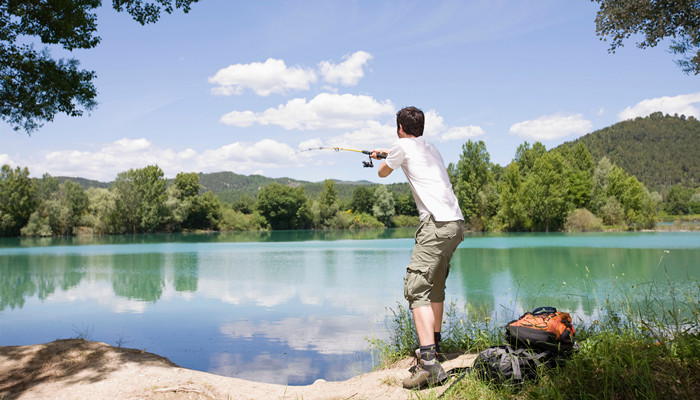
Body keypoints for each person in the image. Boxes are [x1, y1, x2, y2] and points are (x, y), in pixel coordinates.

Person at [371, 106, 465, 390]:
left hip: (435, 225)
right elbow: (406, 155)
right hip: (455, 224)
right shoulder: (431, 148)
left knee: (415, 287)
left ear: (400, 127)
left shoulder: (400, 145)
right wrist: (388, 151)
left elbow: (382, 173)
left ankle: (428, 364)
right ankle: (434, 348)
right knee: (435, 286)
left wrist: (384, 155)